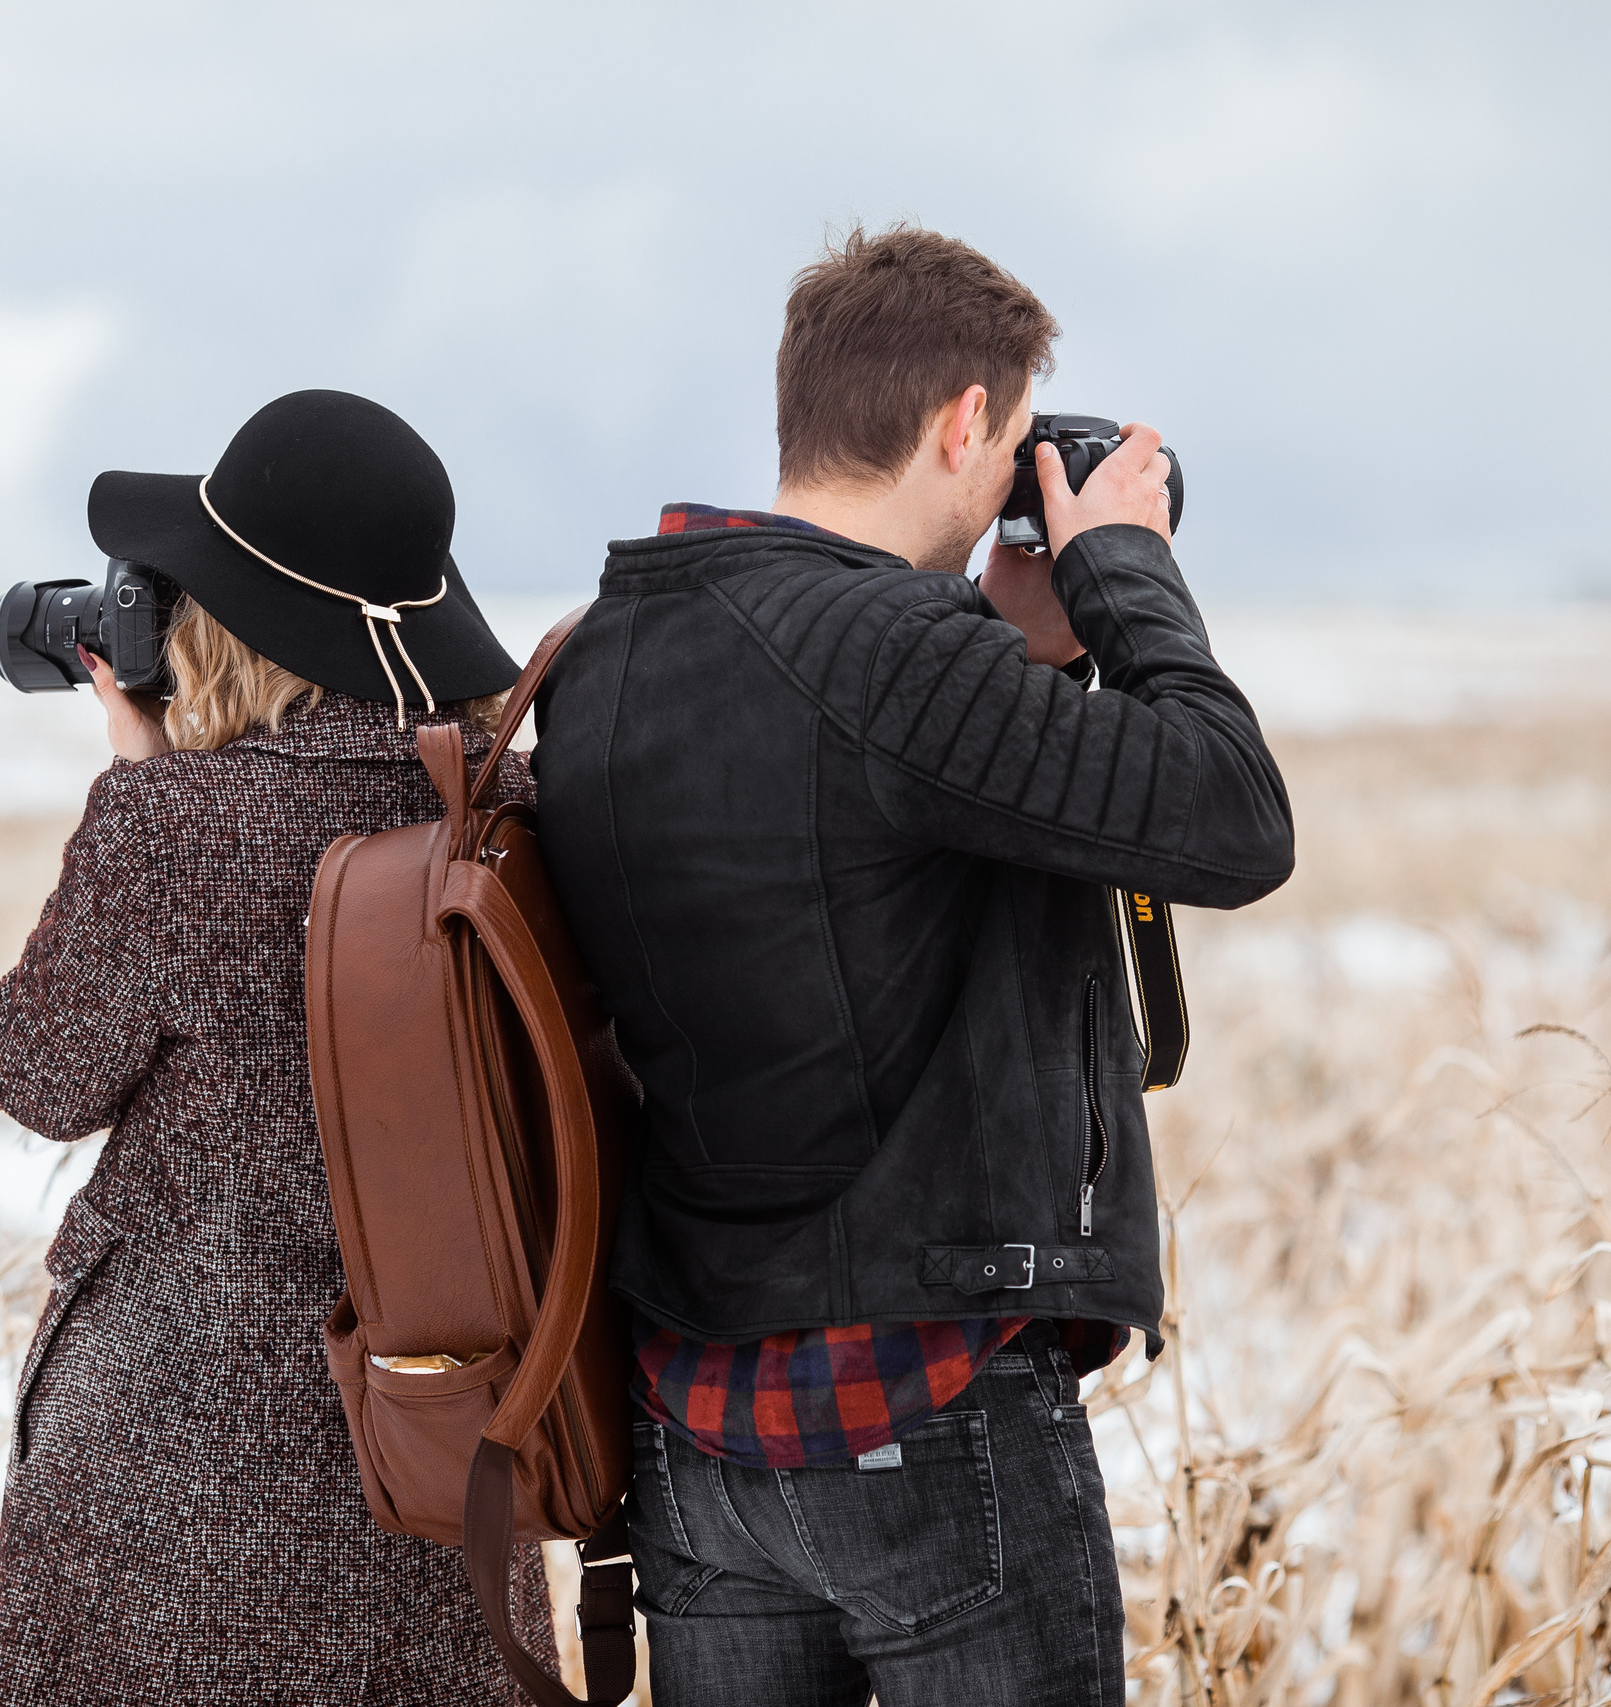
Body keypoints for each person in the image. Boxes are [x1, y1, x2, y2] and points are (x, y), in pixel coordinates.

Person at [530, 226, 1296, 1705]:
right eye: (1013, 437)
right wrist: (1125, 565)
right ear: (965, 424)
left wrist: (1012, 640)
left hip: (693, 1422)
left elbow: (836, 787)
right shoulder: (897, 663)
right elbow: (1232, 819)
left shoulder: (610, 647)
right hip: (926, 1402)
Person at [0, 389, 557, 1705]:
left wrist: (137, 788)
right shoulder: (510, 812)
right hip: (443, 1451)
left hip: (174, 1480)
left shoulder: (177, 828)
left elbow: (34, 1073)